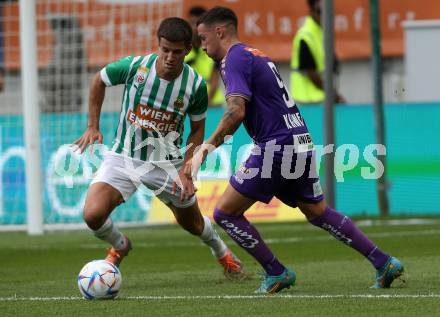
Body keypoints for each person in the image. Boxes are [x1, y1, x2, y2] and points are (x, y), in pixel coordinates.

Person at [184, 6, 404, 294]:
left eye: (203, 38)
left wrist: (204, 150)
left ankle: (276, 272)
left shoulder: (233, 58)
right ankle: (383, 261)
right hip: (299, 137)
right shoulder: (254, 53)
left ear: (220, 32)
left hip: (276, 145)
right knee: (317, 211)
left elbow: (235, 111)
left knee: (226, 214)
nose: (202, 46)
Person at [74, 17, 244, 279]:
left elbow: (197, 130)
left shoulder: (195, 85)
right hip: (124, 157)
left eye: (177, 52)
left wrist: (186, 171)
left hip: (168, 165)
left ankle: (223, 253)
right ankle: (120, 246)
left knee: (193, 224)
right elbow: (99, 80)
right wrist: (92, 126)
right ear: (158, 45)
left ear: (188, 49)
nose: (169, 57)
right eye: (165, 50)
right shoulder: (134, 67)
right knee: (92, 215)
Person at [290, 0, 345, 105]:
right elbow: (312, 74)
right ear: (311, 11)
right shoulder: (305, 36)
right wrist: (334, 95)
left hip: (320, 98)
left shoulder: (320, 32)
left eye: (327, 12)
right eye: (320, 11)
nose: (324, 16)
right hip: (307, 101)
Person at [185, 5, 224, 107]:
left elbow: (215, 79)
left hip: (213, 104)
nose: (194, 27)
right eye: (192, 23)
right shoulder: (181, 50)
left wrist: (207, 103)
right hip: (188, 104)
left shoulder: (215, 50)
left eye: (197, 24)